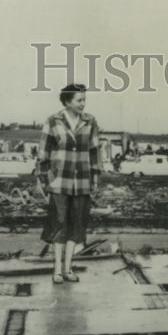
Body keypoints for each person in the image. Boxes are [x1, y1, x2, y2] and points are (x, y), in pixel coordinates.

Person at [37, 84, 101, 284]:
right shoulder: (53, 121)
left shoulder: (90, 122)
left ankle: (68, 269)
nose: (83, 104)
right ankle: (56, 270)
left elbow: (95, 152)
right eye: (79, 100)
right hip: (59, 182)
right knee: (59, 224)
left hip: (82, 182)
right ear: (67, 102)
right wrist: (44, 181)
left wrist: (95, 178)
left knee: (76, 225)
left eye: (84, 100)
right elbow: (43, 154)